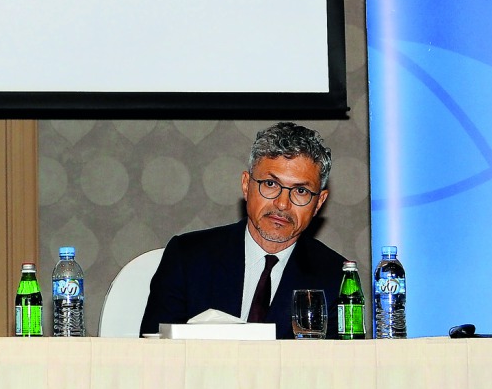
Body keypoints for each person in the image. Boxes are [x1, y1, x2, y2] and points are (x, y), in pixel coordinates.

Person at [140, 122, 346, 339]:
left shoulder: (335, 278)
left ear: (319, 202)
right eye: (270, 184)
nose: (282, 204)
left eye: (301, 191)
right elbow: (154, 357)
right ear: (246, 185)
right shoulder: (188, 258)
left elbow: (338, 367)